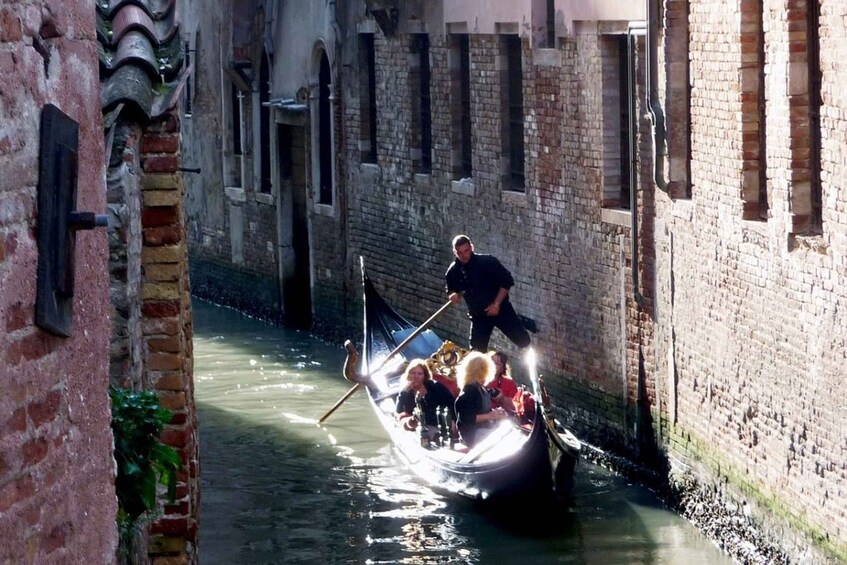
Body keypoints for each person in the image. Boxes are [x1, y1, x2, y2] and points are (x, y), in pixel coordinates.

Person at [445, 235, 531, 352]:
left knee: (523, 341)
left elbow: (507, 282)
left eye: (466, 251)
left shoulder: (488, 262)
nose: (463, 256)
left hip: (500, 309)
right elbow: (451, 290)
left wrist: (496, 304)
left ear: (471, 248)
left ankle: (519, 321)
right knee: (476, 352)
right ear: (455, 252)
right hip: (479, 315)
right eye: (459, 253)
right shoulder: (453, 271)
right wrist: (452, 296)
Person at [454, 351, 512, 448]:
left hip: (485, 428)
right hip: (473, 435)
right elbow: (466, 418)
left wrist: (496, 413)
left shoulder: (481, 389)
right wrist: (490, 416)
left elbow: (484, 410)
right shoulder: (468, 391)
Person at [395, 359, 456, 441]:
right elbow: (398, 411)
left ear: (425, 376)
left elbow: (451, 403)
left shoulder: (436, 387)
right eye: (413, 373)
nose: (416, 376)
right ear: (408, 374)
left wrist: (452, 420)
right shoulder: (406, 392)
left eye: (420, 374)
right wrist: (404, 391)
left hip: (442, 420)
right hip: (422, 426)